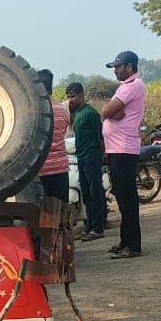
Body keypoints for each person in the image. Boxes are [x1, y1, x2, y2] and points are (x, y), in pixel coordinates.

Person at [101, 50, 146, 259]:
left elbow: (105, 111)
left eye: (118, 67)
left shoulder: (132, 85)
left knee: (127, 198)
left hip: (124, 150)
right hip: (117, 149)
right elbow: (109, 111)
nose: (115, 71)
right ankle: (125, 240)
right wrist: (112, 112)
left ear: (129, 67)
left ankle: (133, 245)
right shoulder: (125, 86)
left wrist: (110, 112)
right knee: (121, 197)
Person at [67, 82, 105, 240]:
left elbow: (100, 136)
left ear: (82, 95)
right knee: (87, 195)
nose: (71, 100)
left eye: (73, 96)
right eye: (69, 97)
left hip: (92, 157)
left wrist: (103, 155)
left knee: (95, 193)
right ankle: (89, 226)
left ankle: (98, 228)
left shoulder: (90, 113)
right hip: (80, 158)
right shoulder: (76, 114)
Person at [35, 69, 70, 203]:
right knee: (60, 210)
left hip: (40, 171)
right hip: (60, 169)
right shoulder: (63, 110)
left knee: (39, 212)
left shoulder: (34, 111)